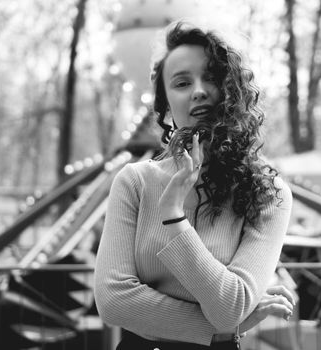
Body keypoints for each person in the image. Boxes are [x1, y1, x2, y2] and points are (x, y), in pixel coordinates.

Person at [94, 22, 294, 349]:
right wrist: (219, 329)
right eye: (182, 82)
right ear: (166, 104)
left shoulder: (269, 193)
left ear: (233, 89)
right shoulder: (134, 182)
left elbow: (231, 308)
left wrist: (174, 218)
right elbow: (113, 300)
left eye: (211, 77)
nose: (198, 90)